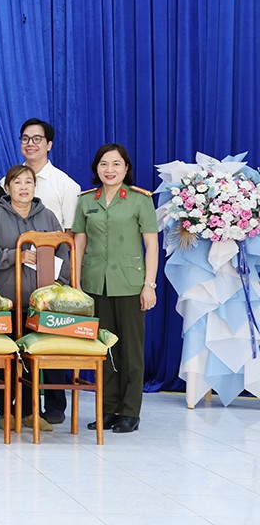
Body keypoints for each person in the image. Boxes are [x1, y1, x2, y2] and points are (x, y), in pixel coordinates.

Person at [0, 164, 69, 431]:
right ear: (7, 188)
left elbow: (64, 252)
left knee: (33, 357)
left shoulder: (48, 217)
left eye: (28, 182)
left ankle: (30, 412)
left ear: (35, 187)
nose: (24, 187)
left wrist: (59, 285)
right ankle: (7, 411)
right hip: (8, 299)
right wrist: (15, 256)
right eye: (17, 183)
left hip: (41, 302)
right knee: (10, 357)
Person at [73, 143, 158, 434]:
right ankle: (108, 409)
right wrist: (76, 283)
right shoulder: (86, 200)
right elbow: (79, 243)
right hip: (96, 284)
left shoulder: (140, 200)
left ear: (126, 168)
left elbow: (151, 245)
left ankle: (130, 411)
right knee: (104, 350)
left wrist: (149, 285)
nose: (110, 170)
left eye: (116, 164)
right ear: (96, 168)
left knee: (131, 351)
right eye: (104, 164)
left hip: (130, 284)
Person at [3, 118, 80, 423]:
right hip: (16, 283)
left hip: (50, 282)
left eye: (37, 139)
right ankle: (23, 405)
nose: (30, 144)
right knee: (20, 345)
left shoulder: (65, 185)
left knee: (49, 341)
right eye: (25, 138)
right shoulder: (6, 180)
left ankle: (55, 404)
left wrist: (61, 280)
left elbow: (69, 238)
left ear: (49, 144)